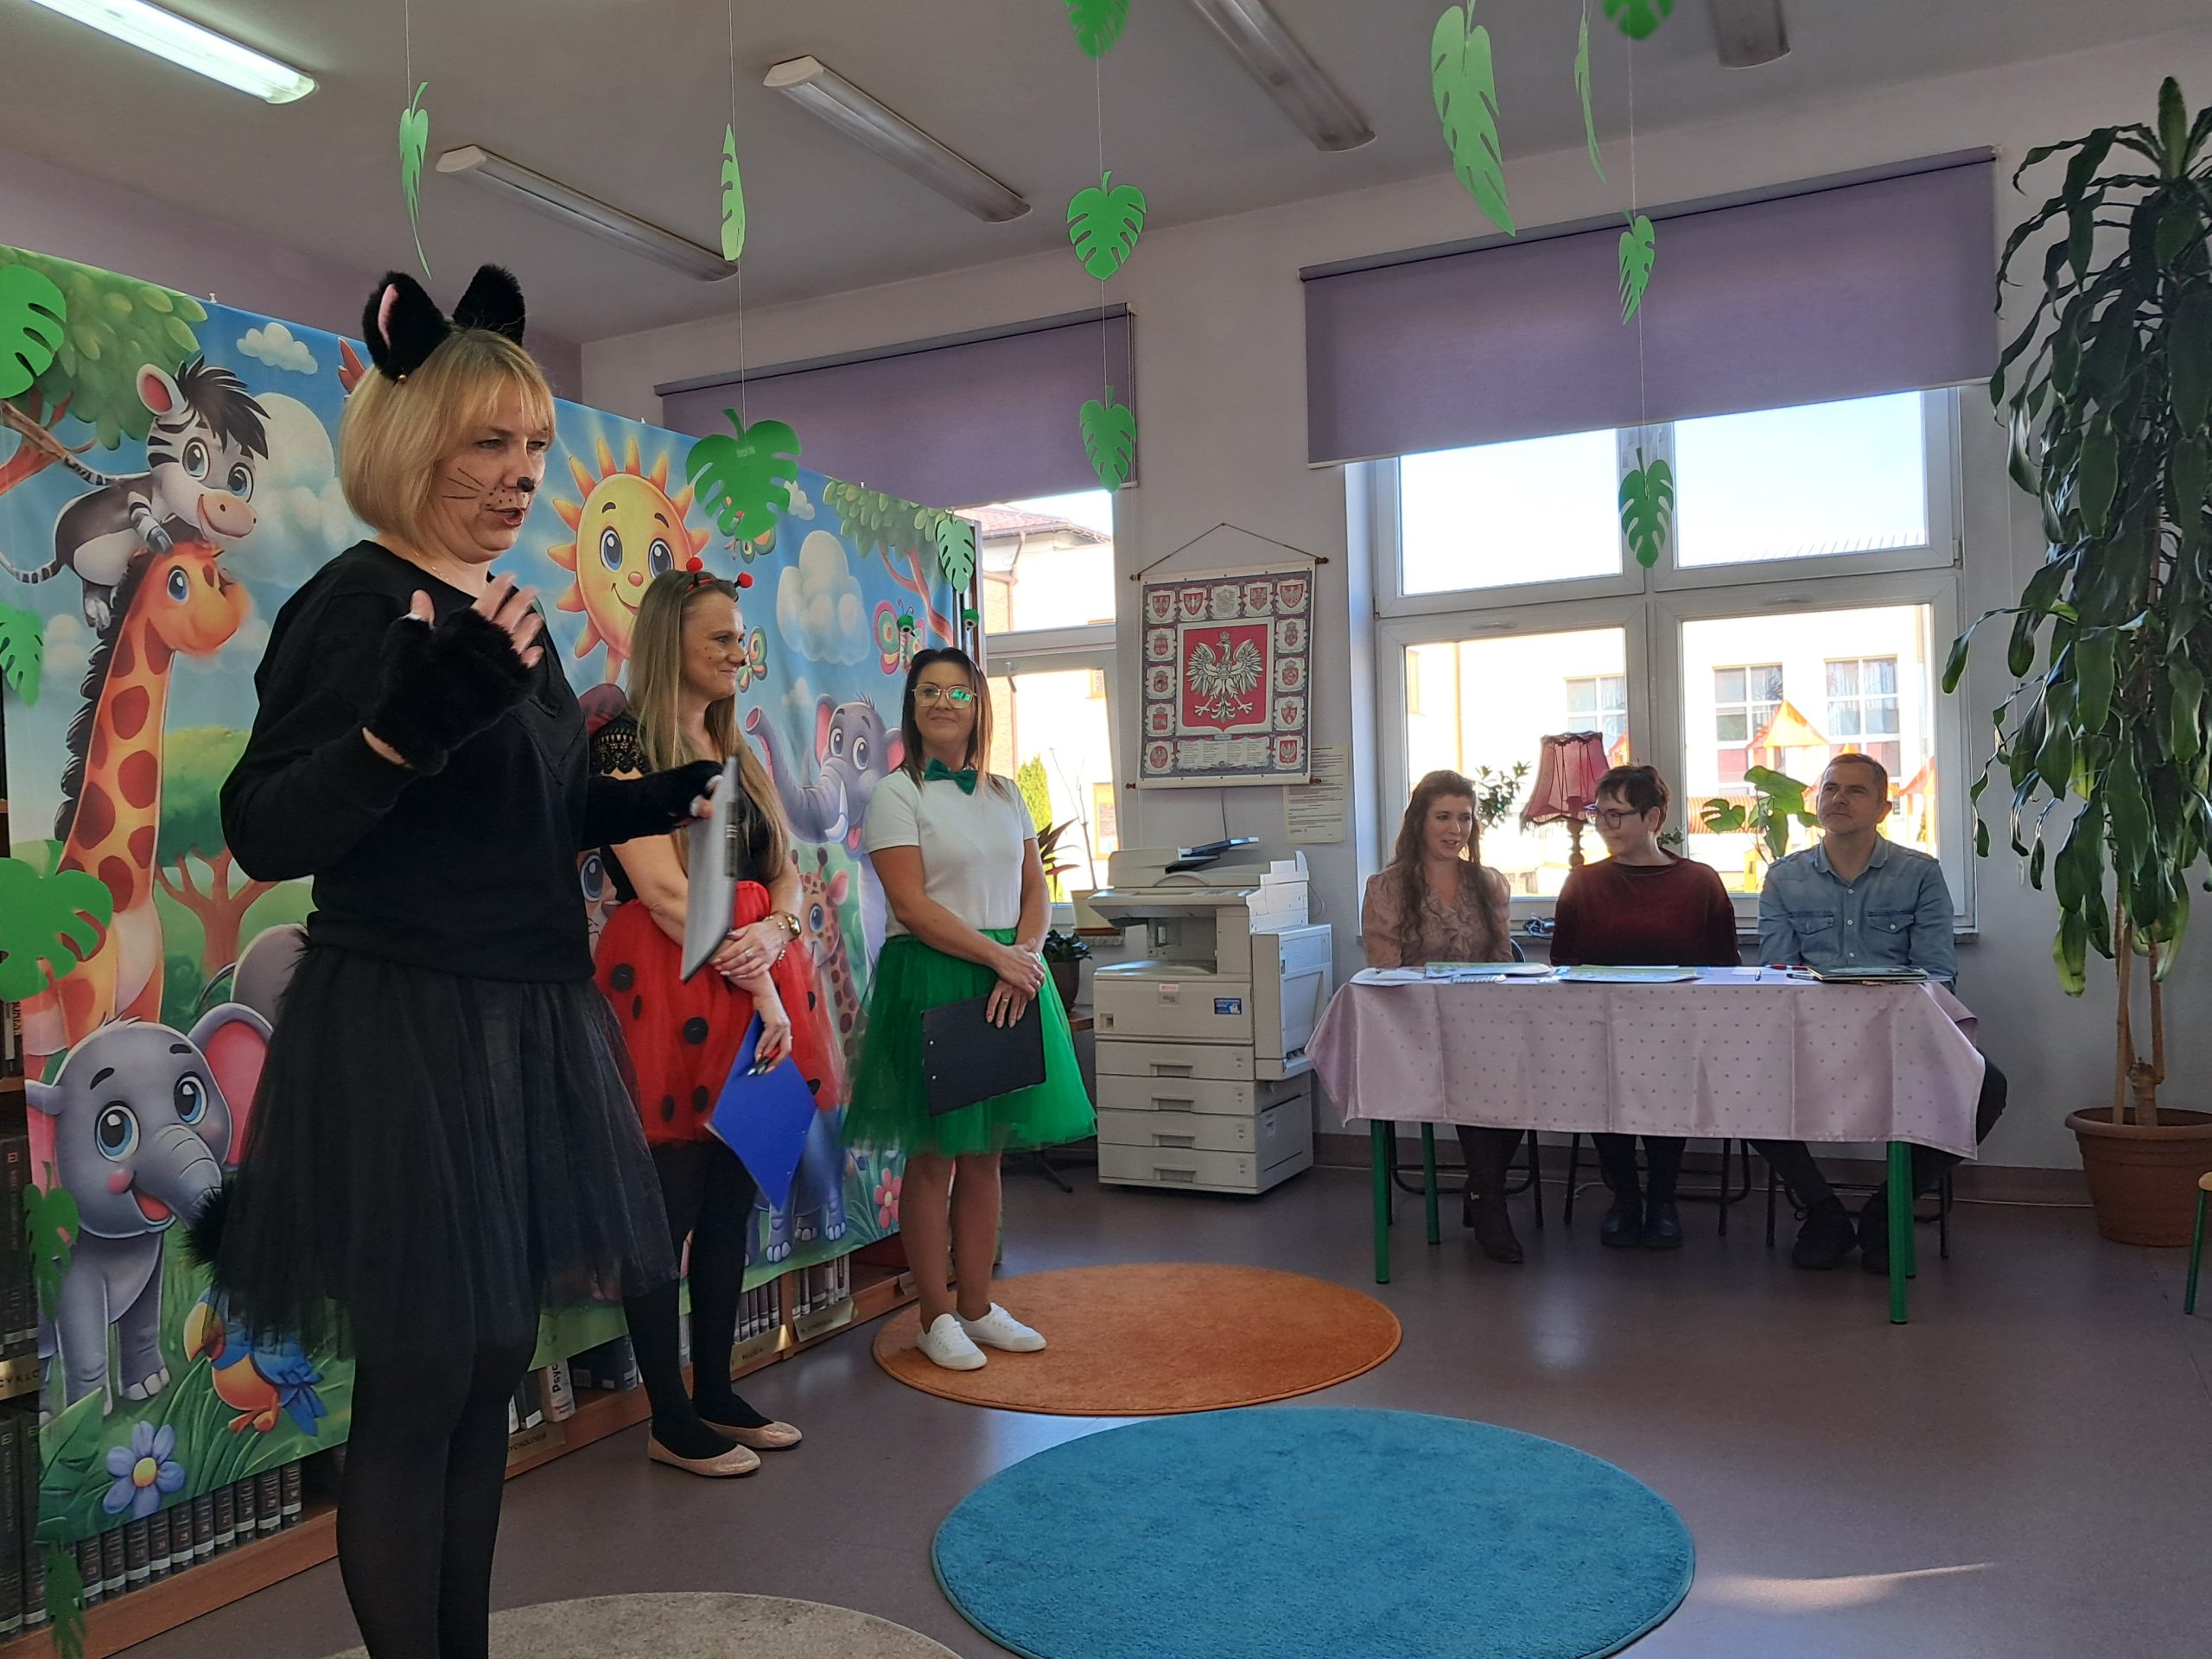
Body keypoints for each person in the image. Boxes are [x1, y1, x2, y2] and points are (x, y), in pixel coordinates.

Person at [204, 267, 721, 1659]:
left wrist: (639, 800)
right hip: (407, 1026)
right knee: (424, 1371)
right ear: (414, 441)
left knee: (491, 1359)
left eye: (536, 446)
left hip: (526, 1018)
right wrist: (397, 734)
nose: (522, 473)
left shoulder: (509, 610)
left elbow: (534, 809)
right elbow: (263, 824)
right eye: (491, 442)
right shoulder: (358, 605)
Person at [591, 569, 842, 1475]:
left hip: (750, 980)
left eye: (740, 638)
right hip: (674, 990)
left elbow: (787, 873)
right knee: (669, 1208)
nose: (740, 653)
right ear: (673, 642)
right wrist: (762, 977)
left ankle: (716, 1391)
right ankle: (668, 1416)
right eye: (722, 638)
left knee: (730, 1199)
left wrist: (779, 931)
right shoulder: (622, 744)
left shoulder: (736, 745)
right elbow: (664, 891)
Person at [845, 648, 1095, 1370]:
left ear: (979, 705)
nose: (944, 703)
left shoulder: (1007, 793)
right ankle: (935, 1316)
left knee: (986, 1156)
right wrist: (1000, 958)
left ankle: (979, 1307)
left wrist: (1027, 954)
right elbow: (911, 904)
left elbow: (1035, 889)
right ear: (912, 705)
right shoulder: (897, 795)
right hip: (935, 977)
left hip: (1008, 982)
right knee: (933, 1159)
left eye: (958, 692)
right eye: (929, 690)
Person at [1759, 753, 2009, 1272]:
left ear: (1882, 808)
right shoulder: (1785, 878)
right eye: (1830, 788)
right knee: (1745, 1085)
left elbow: (1938, 975)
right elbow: (1778, 976)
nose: (1839, 799)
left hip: (1902, 1038)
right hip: (1813, 1039)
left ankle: (1886, 1212)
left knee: (1989, 1086)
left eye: (1856, 790)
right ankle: (1824, 1212)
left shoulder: (1919, 874)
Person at [1550, 765, 1738, 1251]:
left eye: (1617, 815)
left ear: (1652, 818)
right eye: (1600, 814)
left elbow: (1724, 965)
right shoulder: (1583, 883)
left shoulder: (1699, 882)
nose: (1605, 825)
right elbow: (1564, 963)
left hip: (1679, 1032)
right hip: (1600, 1030)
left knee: (1666, 1093)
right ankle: (1625, 1199)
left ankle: (1662, 1200)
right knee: (1602, 1092)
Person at [1361, 770, 1527, 1264]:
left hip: (1482, 1024)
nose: (1456, 830)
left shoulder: (1489, 883)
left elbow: (1501, 964)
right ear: (1419, 822)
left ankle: (1482, 1188)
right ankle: (1489, 1200)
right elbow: (1385, 973)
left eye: (1465, 818)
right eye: (1443, 817)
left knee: (1523, 1071)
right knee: (1480, 1075)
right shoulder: (1388, 888)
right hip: (1417, 1029)